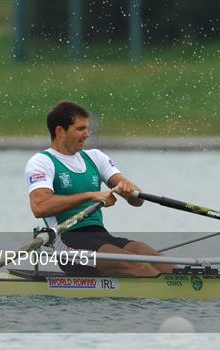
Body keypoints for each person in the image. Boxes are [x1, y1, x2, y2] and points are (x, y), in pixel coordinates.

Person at [24, 101, 173, 277]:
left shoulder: (95, 157)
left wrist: (128, 189)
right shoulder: (42, 162)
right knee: (138, 266)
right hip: (68, 242)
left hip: (100, 236)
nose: (87, 134)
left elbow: (137, 200)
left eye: (87, 128)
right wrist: (90, 196)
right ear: (60, 131)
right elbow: (40, 207)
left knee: (162, 263)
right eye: (80, 129)